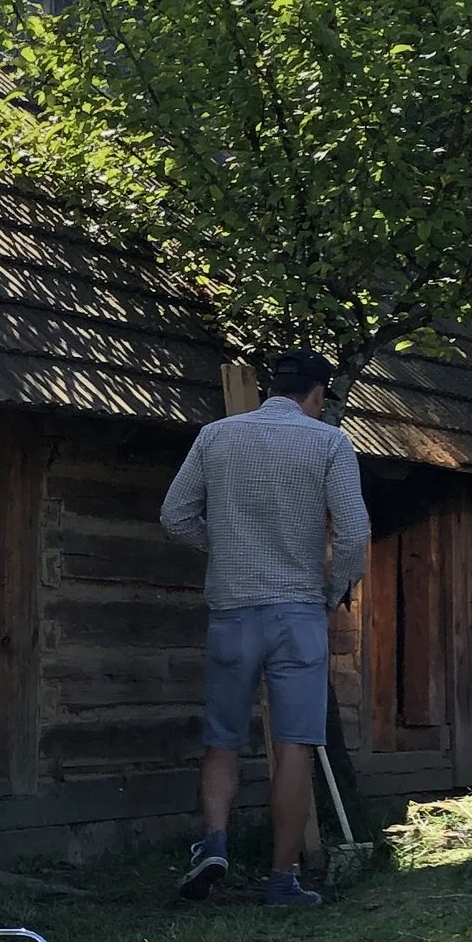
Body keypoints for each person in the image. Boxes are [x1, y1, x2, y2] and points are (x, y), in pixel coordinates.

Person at [158, 348, 369, 907]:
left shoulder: (216, 436)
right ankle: (282, 879)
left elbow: (174, 514)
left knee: (222, 739)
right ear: (318, 396)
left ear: (274, 388)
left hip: (232, 610)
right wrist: (331, 591)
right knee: (296, 745)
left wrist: (223, 548)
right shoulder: (329, 443)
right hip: (298, 611)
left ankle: (215, 843)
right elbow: (353, 534)